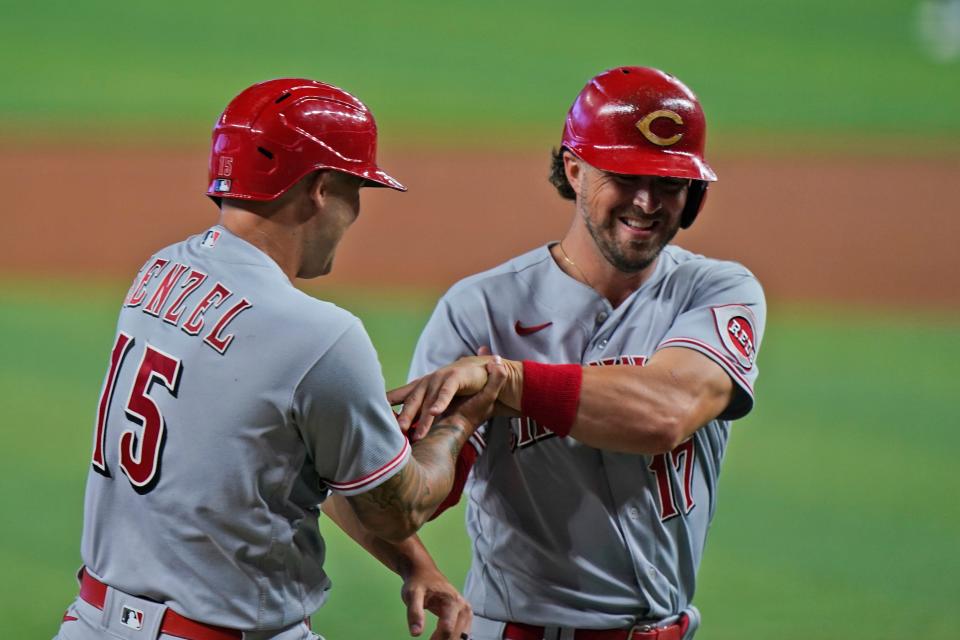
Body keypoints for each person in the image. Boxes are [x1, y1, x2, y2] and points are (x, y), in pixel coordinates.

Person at [54, 78, 505, 640]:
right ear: (319, 188)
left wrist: (415, 562)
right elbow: (398, 507)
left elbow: (275, 456)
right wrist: (464, 420)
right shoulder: (318, 334)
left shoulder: (161, 273)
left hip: (92, 622)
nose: (356, 211)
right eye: (355, 189)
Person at [391, 67, 767, 639]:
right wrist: (414, 557)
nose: (647, 202)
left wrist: (503, 380)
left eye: (669, 183)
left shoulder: (717, 292)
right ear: (574, 168)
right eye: (625, 175)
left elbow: (666, 412)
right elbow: (408, 485)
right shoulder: (481, 309)